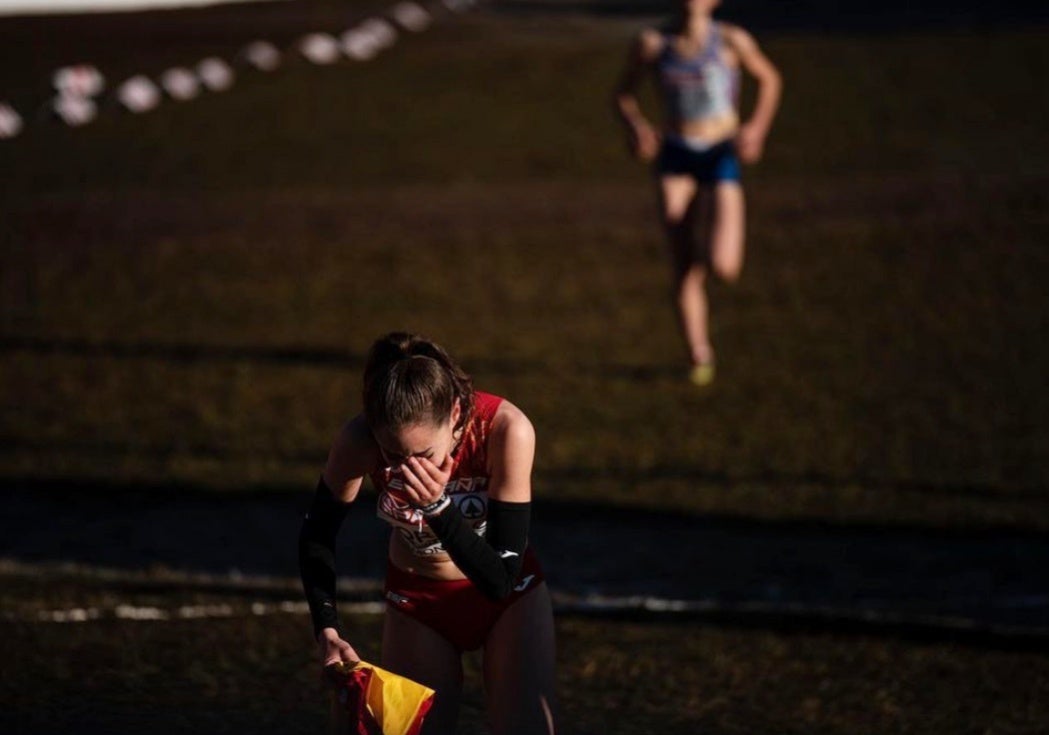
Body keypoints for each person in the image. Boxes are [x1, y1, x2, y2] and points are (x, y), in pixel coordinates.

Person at [299, 332, 557, 735]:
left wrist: (438, 508)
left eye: (423, 456)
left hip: (510, 599)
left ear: (455, 414)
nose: (407, 470)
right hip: (419, 601)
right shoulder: (360, 440)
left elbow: (500, 581)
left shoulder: (504, 430)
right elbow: (317, 534)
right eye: (393, 455)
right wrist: (327, 632)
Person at [613, 0, 782, 386]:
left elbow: (771, 79)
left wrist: (757, 129)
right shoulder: (654, 44)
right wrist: (637, 128)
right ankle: (698, 353)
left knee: (723, 265)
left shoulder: (731, 40)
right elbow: (622, 93)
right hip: (675, 156)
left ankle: (708, 224)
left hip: (720, 153)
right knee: (683, 263)